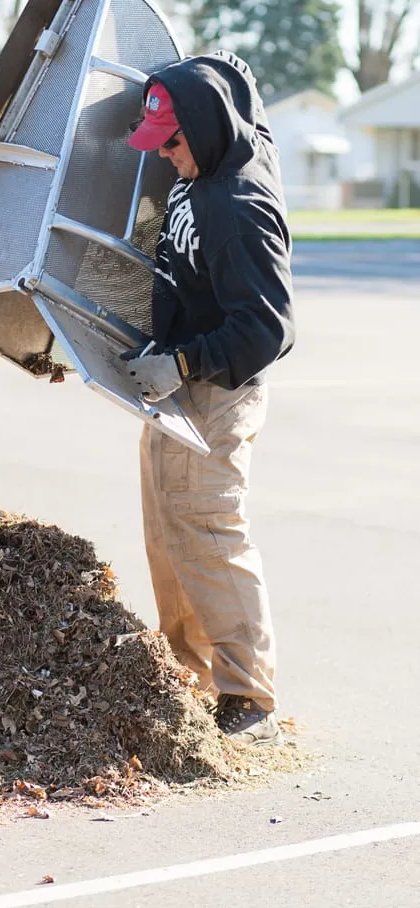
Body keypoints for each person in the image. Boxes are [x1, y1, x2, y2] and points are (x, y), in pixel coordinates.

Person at [124, 51, 294, 746]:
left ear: (207, 126)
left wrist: (186, 360)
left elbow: (268, 327)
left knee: (210, 536)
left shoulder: (238, 207)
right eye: (154, 142)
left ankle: (248, 701)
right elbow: (229, 74)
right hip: (177, 384)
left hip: (216, 391)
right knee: (170, 538)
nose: (162, 155)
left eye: (171, 141)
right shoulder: (208, 159)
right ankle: (191, 680)